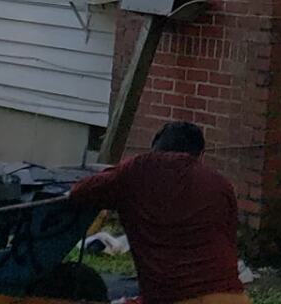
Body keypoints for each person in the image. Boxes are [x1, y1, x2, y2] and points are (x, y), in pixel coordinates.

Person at [68, 122, 245, 304]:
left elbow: (80, 191)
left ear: (154, 147)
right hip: (230, 296)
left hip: (171, 297)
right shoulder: (221, 184)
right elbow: (230, 241)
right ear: (200, 155)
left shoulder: (137, 170)